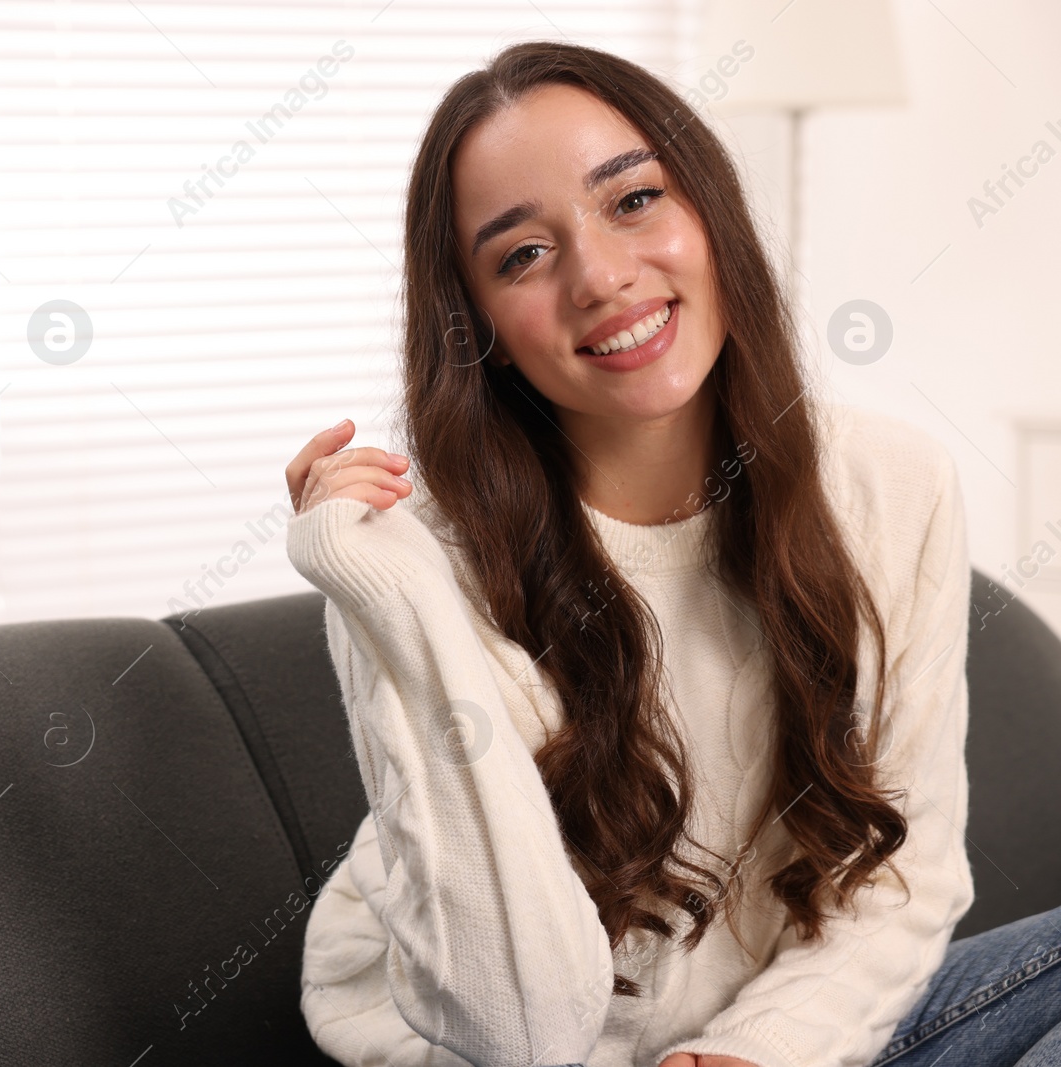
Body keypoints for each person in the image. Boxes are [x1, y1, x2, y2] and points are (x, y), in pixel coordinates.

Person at [281, 39, 1061, 1067]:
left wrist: (752, 1050)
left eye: (633, 199)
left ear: (710, 210)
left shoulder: (890, 483)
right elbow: (523, 1030)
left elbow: (899, 881)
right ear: (477, 326)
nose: (601, 275)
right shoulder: (417, 568)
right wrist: (392, 595)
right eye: (522, 253)